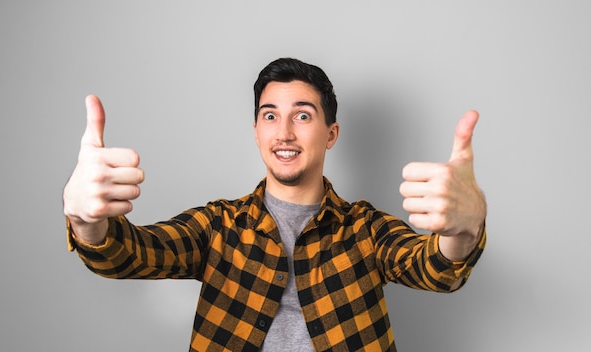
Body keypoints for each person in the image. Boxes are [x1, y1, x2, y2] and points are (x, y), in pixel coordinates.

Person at [63, 58, 486, 352]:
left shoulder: (364, 229)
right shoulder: (218, 225)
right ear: (256, 130)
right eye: (270, 115)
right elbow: (127, 255)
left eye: (302, 116)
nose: (283, 132)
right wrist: (86, 222)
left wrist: (465, 231)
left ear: (331, 133)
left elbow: (435, 268)